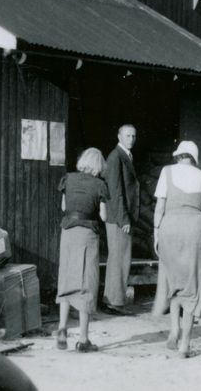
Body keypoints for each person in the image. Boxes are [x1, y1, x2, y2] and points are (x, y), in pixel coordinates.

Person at [152, 140, 201, 359]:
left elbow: (160, 207)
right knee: (192, 284)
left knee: (172, 279)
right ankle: (185, 345)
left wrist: (156, 232)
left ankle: (174, 330)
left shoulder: (166, 172)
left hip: (170, 226)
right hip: (195, 228)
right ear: (194, 157)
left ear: (178, 156)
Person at [56, 147, 109, 352]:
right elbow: (103, 217)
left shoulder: (68, 179)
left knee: (67, 277)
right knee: (87, 282)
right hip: (87, 234)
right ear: (98, 166)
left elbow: (63, 208)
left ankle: (61, 328)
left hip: (68, 232)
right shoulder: (99, 185)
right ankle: (83, 339)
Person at [101, 124, 139, 315]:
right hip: (118, 219)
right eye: (127, 135)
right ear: (119, 136)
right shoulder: (116, 157)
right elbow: (115, 192)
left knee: (119, 259)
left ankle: (113, 299)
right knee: (119, 259)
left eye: (133, 136)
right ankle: (114, 302)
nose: (131, 139)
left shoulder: (124, 156)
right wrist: (124, 219)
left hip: (120, 217)